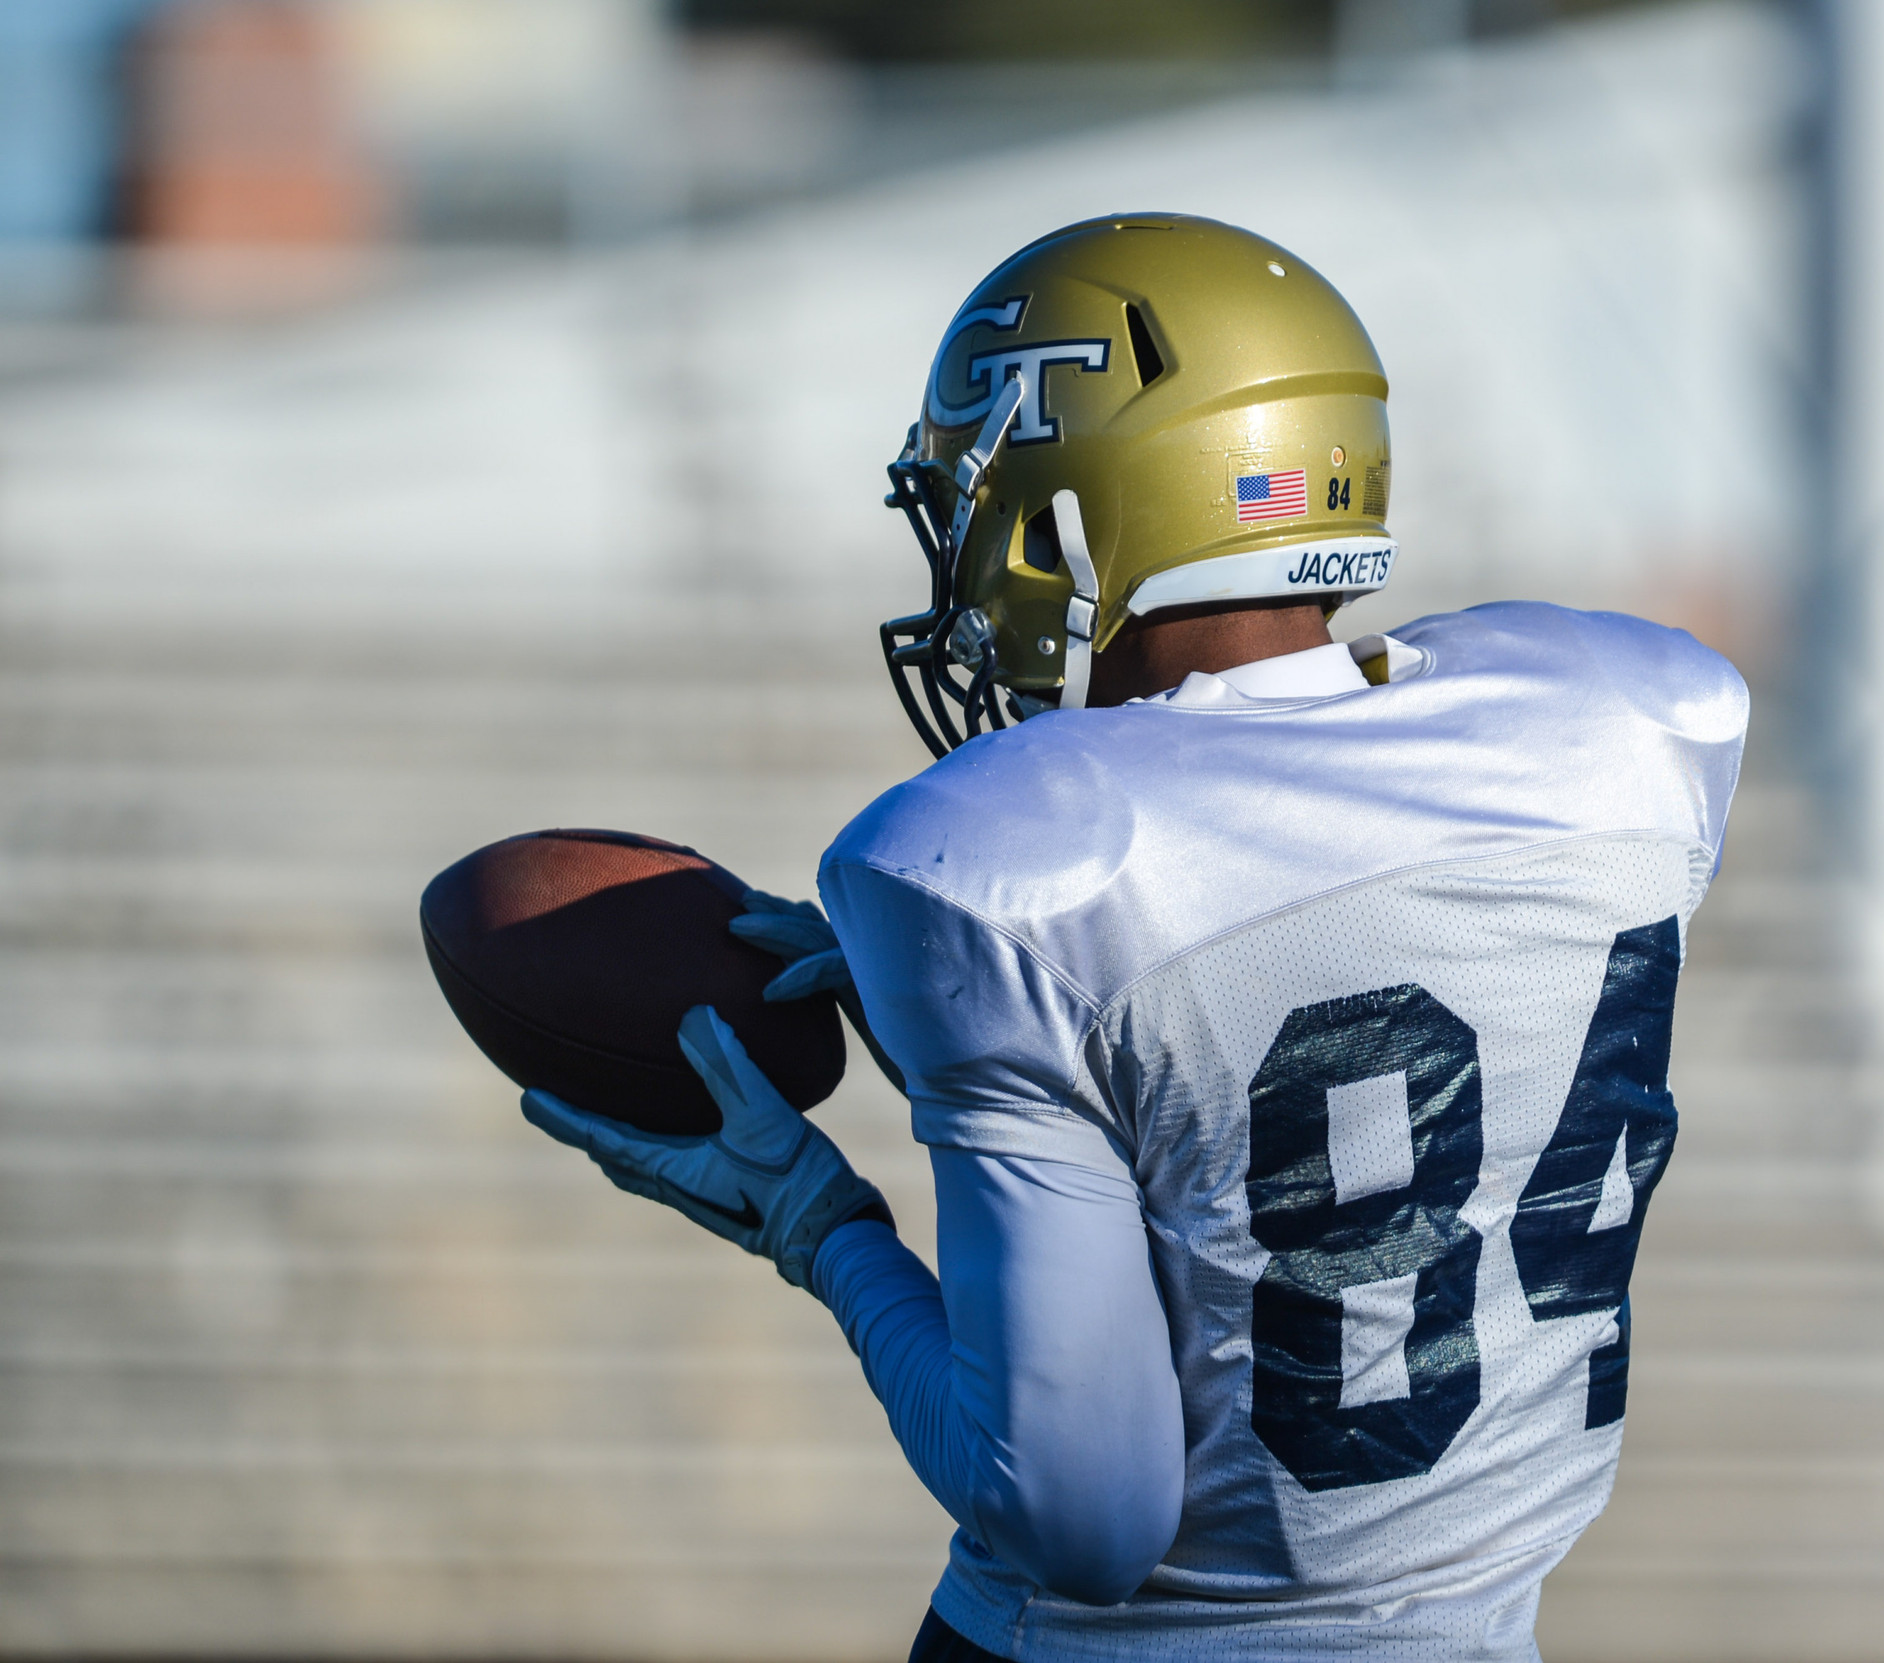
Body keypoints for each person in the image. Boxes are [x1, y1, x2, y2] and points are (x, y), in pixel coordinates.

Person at [521, 214, 1748, 1661]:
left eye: (981, 512)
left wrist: (823, 1226)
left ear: (1063, 519)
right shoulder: (1632, 730)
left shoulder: (1009, 863)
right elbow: (1302, 968)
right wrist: (1006, 1042)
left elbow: (1076, 1520)